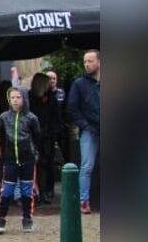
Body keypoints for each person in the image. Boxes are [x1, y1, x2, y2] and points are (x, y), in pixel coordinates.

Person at [0, 86, 41, 233]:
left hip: (27, 159)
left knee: (27, 191)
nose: (15, 100)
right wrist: (2, 153)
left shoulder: (31, 118)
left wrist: (35, 153)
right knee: (6, 190)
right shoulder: (3, 117)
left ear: (24, 99)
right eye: (12, 97)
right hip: (10, 159)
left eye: (18, 97)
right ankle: (0, 219)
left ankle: (27, 219)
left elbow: (37, 136)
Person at [66, 49, 100, 214]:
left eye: (90, 61)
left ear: (99, 62)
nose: (87, 64)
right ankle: (83, 201)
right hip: (90, 129)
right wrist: (84, 124)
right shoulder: (79, 84)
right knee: (86, 165)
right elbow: (72, 107)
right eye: (85, 61)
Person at [28, 72, 63, 204]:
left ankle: (45, 191)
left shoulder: (51, 98)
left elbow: (56, 117)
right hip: (34, 136)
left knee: (46, 164)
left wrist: (54, 133)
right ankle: (38, 192)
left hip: (47, 136)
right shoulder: (30, 97)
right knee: (36, 165)